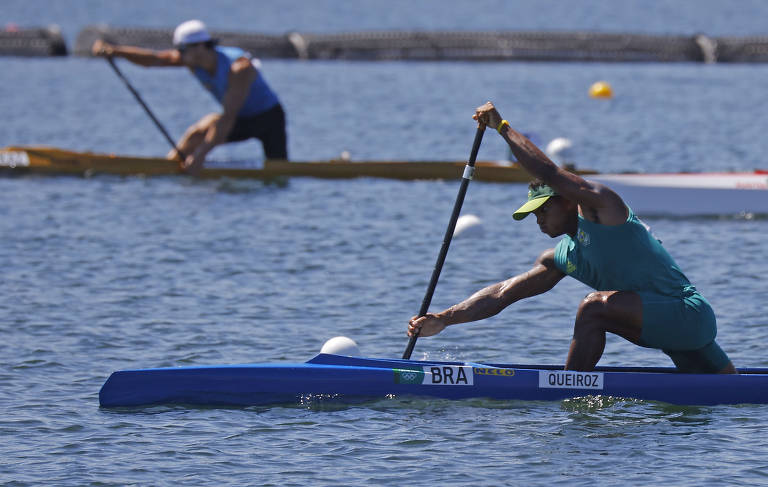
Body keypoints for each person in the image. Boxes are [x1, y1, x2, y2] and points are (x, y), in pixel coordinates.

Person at [408, 101, 736, 374]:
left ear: (567, 201)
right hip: (670, 330)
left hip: (687, 314)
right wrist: (444, 319)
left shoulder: (603, 209)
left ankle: (569, 388)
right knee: (731, 391)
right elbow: (502, 295)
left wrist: (502, 127)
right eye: (534, 214)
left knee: (592, 308)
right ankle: (572, 386)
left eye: (542, 211)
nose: (537, 220)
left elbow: (550, 174)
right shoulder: (563, 256)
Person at [92, 19, 287, 172]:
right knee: (197, 133)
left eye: (182, 50)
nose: (179, 55)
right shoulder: (192, 59)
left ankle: (191, 164)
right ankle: (167, 167)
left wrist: (201, 156)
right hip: (239, 117)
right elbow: (154, 59)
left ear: (201, 46)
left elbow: (228, 118)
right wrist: (114, 51)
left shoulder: (239, 68)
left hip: (268, 119)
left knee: (280, 169)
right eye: (179, 50)